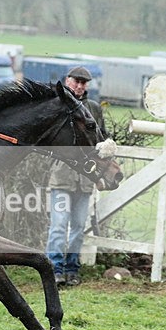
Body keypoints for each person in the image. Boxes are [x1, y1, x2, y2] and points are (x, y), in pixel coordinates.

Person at [45, 66, 110, 286]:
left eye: (84, 83)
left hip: (85, 180)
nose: (80, 87)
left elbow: (102, 140)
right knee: (59, 225)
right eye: (76, 82)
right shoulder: (57, 106)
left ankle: (72, 269)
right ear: (67, 81)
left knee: (78, 227)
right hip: (62, 176)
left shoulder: (93, 108)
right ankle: (54, 269)